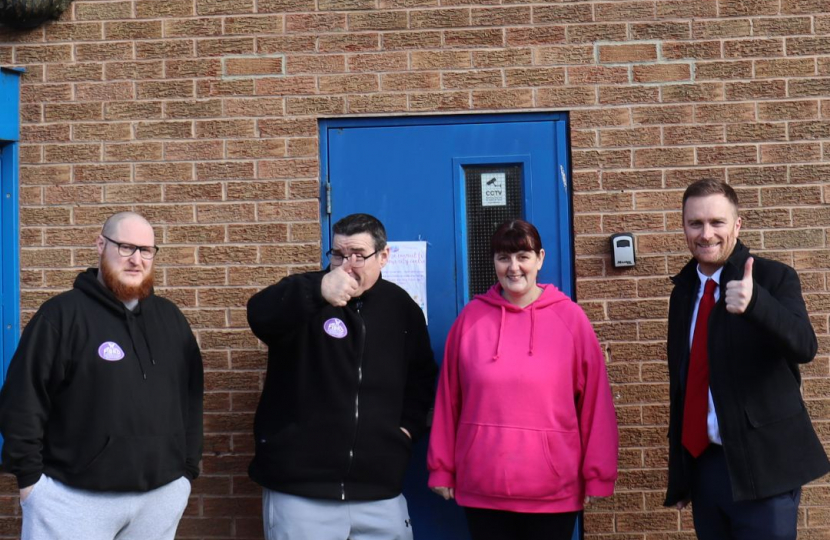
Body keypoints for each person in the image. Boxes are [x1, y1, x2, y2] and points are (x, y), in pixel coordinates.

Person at [0, 211, 204, 540]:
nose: (136, 259)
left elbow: (192, 398)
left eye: (146, 250)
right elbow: (24, 399)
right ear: (100, 244)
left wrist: (186, 470)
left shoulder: (171, 320)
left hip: (159, 499)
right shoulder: (61, 316)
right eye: (125, 247)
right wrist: (30, 484)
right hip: (72, 501)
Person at [247, 213, 437, 540]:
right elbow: (260, 315)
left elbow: (420, 377)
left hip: (379, 490)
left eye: (358, 255)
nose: (346, 265)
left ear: (384, 256)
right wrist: (318, 291)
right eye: (338, 254)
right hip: (301, 490)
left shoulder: (402, 308)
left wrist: (407, 430)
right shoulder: (305, 297)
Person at [427, 219, 618, 540]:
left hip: (553, 491)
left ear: (540, 259)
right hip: (483, 486)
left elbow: (596, 404)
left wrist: (598, 475)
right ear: (494, 263)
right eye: (503, 258)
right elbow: (448, 400)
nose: (513, 268)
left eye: (523, 256)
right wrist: (441, 468)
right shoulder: (471, 319)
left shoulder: (570, 319)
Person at [664, 179, 829, 539]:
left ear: (737, 225)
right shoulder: (684, 292)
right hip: (706, 466)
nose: (706, 234)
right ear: (683, 226)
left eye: (717, 222)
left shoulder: (773, 277)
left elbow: (805, 347)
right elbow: (683, 384)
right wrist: (680, 474)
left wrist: (757, 305)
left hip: (765, 469)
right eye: (695, 223)